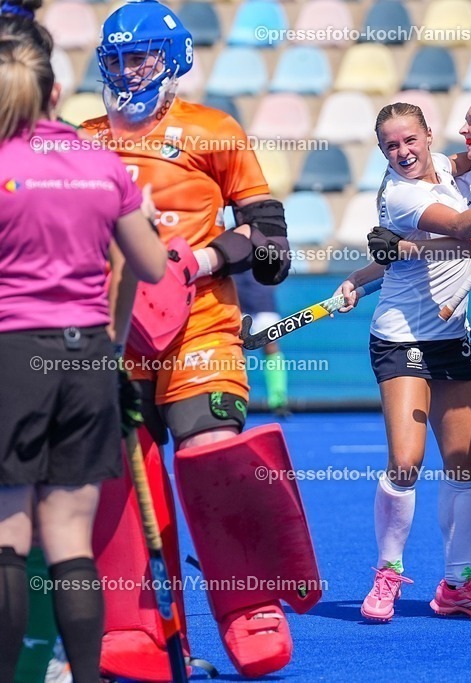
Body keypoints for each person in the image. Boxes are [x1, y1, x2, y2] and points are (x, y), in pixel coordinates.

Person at [80, 1, 320, 678]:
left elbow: (271, 246)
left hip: (201, 323)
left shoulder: (215, 132)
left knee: (211, 449)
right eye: (119, 58)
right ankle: (134, 624)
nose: (129, 70)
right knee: (118, 474)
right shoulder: (79, 139)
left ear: (174, 59)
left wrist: (202, 260)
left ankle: (250, 605)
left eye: (142, 56)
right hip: (112, 331)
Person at [335, 101, 471, 623]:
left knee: (466, 462)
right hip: (401, 338)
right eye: (391, 146)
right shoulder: (405, 193)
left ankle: (458, 584)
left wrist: (364, 276)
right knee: (407, 462)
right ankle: (386, 574)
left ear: (428, 136)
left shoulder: (450, 168)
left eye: (411, 140)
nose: (403, 152)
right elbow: (463, 230)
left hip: (453, 340)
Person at [0, 37, 166, 683]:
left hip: (14, 352)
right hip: (89, 355)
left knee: (9, 532)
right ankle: (88, 674)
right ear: (55, 94)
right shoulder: (97, 160)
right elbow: (150, 264)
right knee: (70, 538)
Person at [231, 268, 290, 416]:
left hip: (263, 302)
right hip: (235, 302)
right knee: (236, 350)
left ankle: (278, 400)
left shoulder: (265, 246)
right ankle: (236, 397)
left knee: (271, 347)